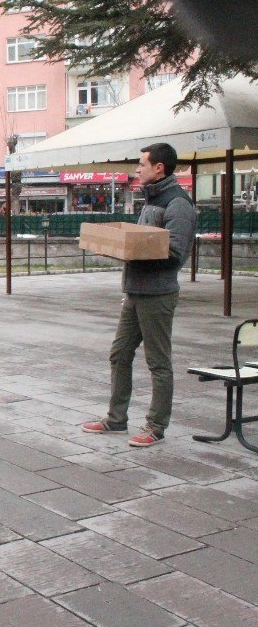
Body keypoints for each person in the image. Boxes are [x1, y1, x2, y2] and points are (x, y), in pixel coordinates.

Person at [81, 143, 198, 447]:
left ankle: (156, 426)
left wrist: (132, 249)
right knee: (119, 354)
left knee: (158, 362)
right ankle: (116, 419)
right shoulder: (151, 201)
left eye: (141, 164)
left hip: (157, 294)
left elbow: (175, 253)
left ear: (159, 167)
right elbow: (142, 242)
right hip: (134, 291)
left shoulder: (178, 205)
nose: (137, 169)